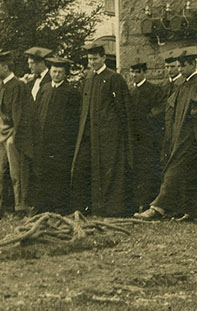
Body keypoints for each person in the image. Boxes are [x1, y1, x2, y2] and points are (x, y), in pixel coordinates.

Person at [135, 49, 197, 221]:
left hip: (191, 136)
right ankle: (191, 211)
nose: (180, 69)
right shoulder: (184, 84)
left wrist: (190, 120)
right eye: (179, 66)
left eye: (183, 66)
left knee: (174, 169)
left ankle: (157, 207)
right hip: (178, 134)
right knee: (190, 174)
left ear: (193, 64)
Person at [71, 38, 133, 216]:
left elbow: (123, 109)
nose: (92, 63)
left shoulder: (113, 78)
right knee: (87, 168)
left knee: (108, 170)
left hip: (108, 135)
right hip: (90, 133)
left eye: (95, 59)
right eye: (89, 60)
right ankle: (90, 207)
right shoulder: (89, 79)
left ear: (103, 58)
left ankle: (111, 208)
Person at [30, 55, 83, 213]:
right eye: (54, 71)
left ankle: (60, 206)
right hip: (43, 139)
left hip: (61, 141)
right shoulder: (45, 88)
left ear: (65, 74)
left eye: (60, 72)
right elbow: (37, 111)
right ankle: (43, 204)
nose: (56, 75)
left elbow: (75, 119)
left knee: (59, 173)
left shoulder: (71, 92)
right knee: (43, 171)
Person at [0, 52, 31, 220]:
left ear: (6, 67)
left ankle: (20, 207)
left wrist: (15, 135)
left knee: (15, 172)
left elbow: (21, 114)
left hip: (12, 134)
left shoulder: (18, 85)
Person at [128, 61, 168, 212]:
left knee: (149, 169)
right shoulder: (131, 91)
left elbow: (159, 110)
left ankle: (148, 202)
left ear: (144, 72)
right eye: (132, 72)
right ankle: (138, 202)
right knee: (137, 170)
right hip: (135, 138)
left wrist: (146, 120)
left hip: (149, 137)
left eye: (137, 72)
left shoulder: (153, 89)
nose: (134, 75)